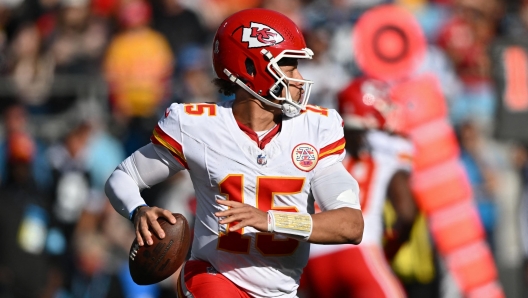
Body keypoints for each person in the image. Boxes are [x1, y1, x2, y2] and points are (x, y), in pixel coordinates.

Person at [105, 8, 364, 298]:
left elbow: (351, 225)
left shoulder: (317, 128)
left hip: (282, 291)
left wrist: (269, 221)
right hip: (213, 277)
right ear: (251, 69)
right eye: (289, 67)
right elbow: (124, 176)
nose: (299, 78)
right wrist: (138, 210)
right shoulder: (196, 125)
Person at [300, 77, 418, 298]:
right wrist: (391, 248)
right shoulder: (386, 144)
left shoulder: (320, 142)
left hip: (314, 259)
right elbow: (407, 213)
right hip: (358, 252)